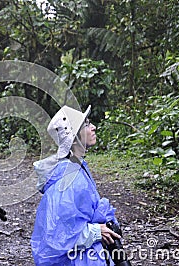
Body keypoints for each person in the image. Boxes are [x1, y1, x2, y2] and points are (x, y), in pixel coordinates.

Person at [30, 105, 122, 265]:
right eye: (86, 124)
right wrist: (94, 232)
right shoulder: (68, 178)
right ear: (74, 137)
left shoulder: (77, 167)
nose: (93, 128)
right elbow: (57, 236)